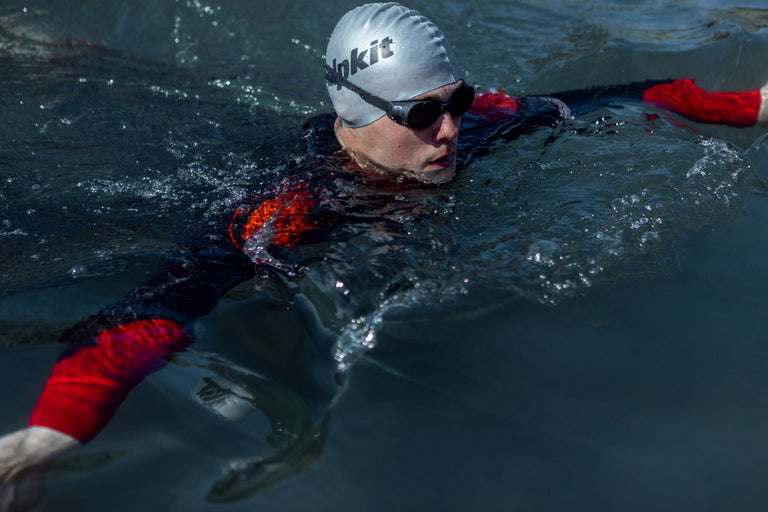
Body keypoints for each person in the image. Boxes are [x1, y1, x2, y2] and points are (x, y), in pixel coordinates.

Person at [2, 2, 767, 508]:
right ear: (354, 117)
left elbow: (630, 92)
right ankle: (62, 57)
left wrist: (752, 106)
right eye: (423, 113)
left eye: (456, 102)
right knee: (150, 121)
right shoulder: (292, 207)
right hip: (204, 172)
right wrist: (49, 439)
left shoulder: (481, 121)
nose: (450, 132)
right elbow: (160, 309)